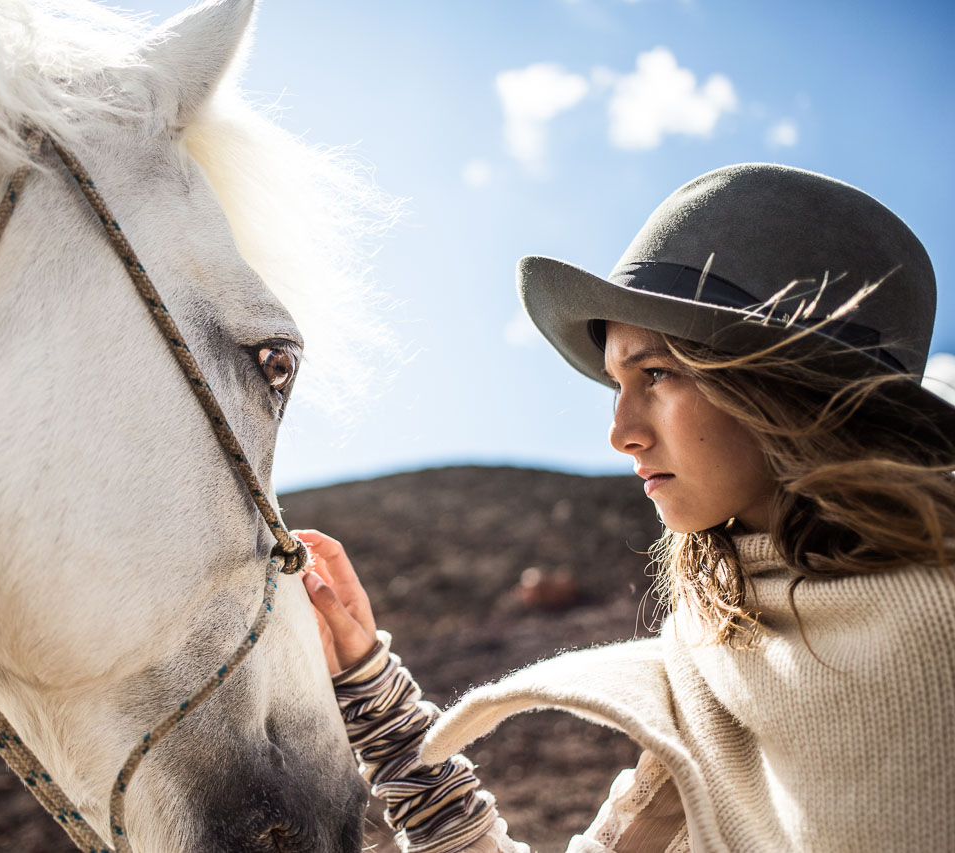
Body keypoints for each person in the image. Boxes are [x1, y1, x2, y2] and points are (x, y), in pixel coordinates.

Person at [297, 163, 955, 853]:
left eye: (658, 373)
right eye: (617, 383)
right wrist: (375, 698)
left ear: (788, 386)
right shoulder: (721, 649)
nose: (620, 432)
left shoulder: (932, 647)